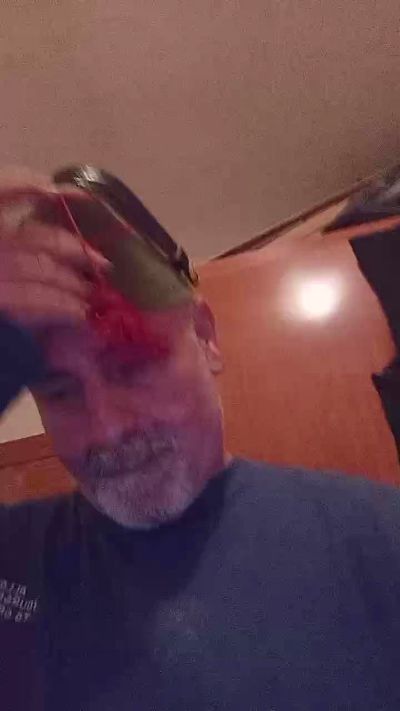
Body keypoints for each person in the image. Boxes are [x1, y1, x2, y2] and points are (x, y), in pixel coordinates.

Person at [0, 173, 400, 711]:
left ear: (207, 337)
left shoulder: (379, 537)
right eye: (60, 391)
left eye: (134, 366)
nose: (107, 430)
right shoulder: (16, 557)